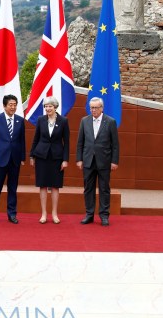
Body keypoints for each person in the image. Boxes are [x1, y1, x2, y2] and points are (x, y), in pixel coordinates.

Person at [76, 96, 119, 226]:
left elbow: (115, 145)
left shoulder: (110, 122)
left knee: (104, 189)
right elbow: (80, 142)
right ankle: (89, 214)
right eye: (91, 108)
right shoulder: (84, 121)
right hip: (88, 160)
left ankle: (104, 215)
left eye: (95, 108)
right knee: (88, 188)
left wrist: (114, 161)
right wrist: (79, 159)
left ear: (101, 108)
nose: (93, 110)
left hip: (104, 161)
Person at [29, 96, 69, 224]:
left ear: (55, 107)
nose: (47, 108)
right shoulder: (41, 120)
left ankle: (54, 213)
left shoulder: (63, 121)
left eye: (50, 106)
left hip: (57, 158)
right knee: (43, 185)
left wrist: (65, 160)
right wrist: (32, 156)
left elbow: (67, 142)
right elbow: (36, 138)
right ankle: (44, 214)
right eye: (46, 106)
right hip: (41, 156)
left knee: (55, 186)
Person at [0, 94, 26, 224]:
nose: (13, 107)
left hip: (15, 160)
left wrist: (22, 157)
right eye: (10, 105)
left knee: (12, 188)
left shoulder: (20, 120)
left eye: (15, 105)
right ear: (4, 106)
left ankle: (12, 214)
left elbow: (22, 141)